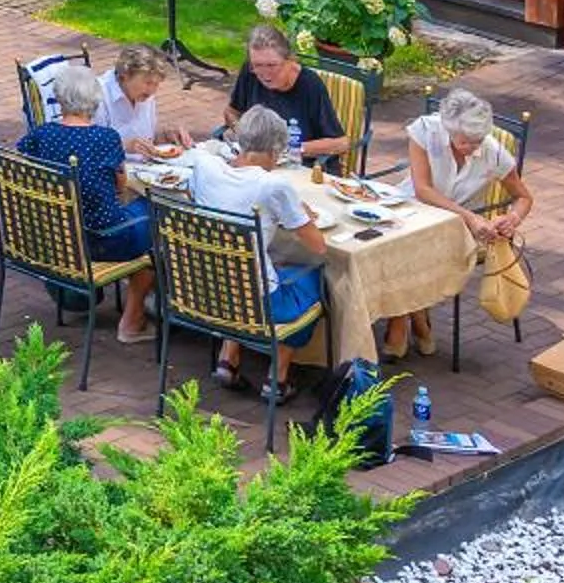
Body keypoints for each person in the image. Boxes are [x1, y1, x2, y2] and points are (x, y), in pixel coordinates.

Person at [381, 88, 536, 359]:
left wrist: (511, 219)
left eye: (477, 141)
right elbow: (423, 189)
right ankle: (418, 319)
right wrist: (470, 217)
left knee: (412, 249)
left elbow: (524, 198)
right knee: (388, 242)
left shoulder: (493, 152)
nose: (471, 148)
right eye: (464, 141)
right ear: (448, 129)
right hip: (413, 207)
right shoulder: (425, 131)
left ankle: (400, 322)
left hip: (457, 226)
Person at [184, 104, 330, 388]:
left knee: (256, 265)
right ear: (275, 151)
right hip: (258, 305)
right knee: (317, 279)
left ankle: (229, 356)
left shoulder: (205, 166)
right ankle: (279, 376)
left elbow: (192, 195)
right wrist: (297, 213)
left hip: (203, 290)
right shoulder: (273, 186)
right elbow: (318, 246)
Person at [21, 67, 156, 342]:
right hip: (101, 239)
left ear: (60, 99)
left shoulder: (41, 134)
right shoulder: (106, 138)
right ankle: (134, 320)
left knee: (139, 216)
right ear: (94, 101)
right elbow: (121, 186)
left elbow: (23, 165)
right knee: (158, 218)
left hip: (59, 238)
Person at [223, 24, 345, 163]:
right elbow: (231, 112)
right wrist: (242, 132)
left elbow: (341, 143)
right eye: (257, 65)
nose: (264, 74)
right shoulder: (250, 72)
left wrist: (290, 150)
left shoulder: (310, 84)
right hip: (257, 164)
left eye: (272, 65)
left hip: (300, 165)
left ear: (290, 60)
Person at [99, 45, 186, 158]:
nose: (152, 90)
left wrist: (164, 136)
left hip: (144, 165)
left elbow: (147, 137)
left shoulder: (144, 94)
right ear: (125, 75)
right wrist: (123, 146)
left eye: (156, 84)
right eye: (148, 83)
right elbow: (86, 148)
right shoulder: (98, 96)